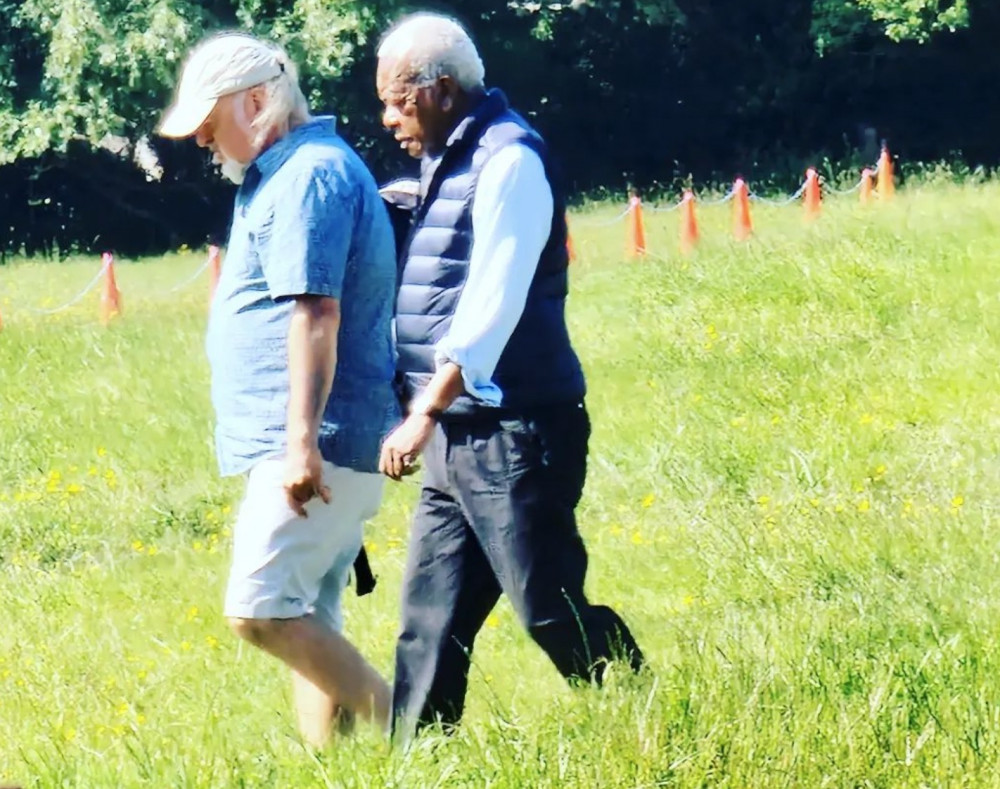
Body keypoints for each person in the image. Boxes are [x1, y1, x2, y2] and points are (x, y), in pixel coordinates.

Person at [374, 13, 646, 740]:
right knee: (428, 621)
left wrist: (423, 410)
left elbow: (491, 305)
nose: (387, 117)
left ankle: (639, 704)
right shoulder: (446, 162)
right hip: (455, 438)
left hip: (518, 429)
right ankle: (416, 765)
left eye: (397, 100)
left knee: (547, 604)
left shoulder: (510, 160)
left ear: (438, 90)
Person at [158, 31, 399, 745]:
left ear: (258, 100)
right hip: (313, 440)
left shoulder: (309, 177)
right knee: (308, 613)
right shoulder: (284, 173)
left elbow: (316, 312)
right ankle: (337, 769)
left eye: (210, 119)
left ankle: (417, 728)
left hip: (315, 442)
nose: (202, 138)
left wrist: (300, 444)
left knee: (259, 609)